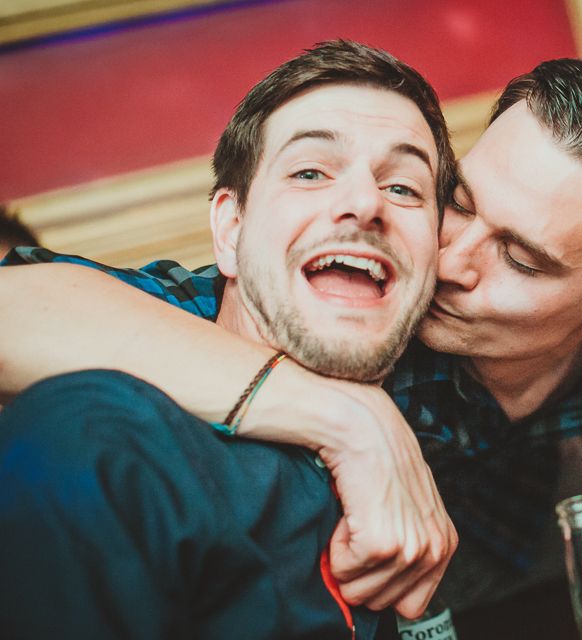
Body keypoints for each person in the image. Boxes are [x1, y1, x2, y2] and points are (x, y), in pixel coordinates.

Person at [0, 56, 582, 608]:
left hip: (540, 521)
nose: (448, 261)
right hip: (391, 561)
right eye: (459, 201)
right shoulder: (354, 313)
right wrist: (349, 416)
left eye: (519, 258)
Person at [0, 40, 459, 638]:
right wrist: (350, 418)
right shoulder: (110, 448)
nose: (365, 202)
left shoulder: (453, 391)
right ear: (230, 230)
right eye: (310, 172)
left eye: (404, 188)